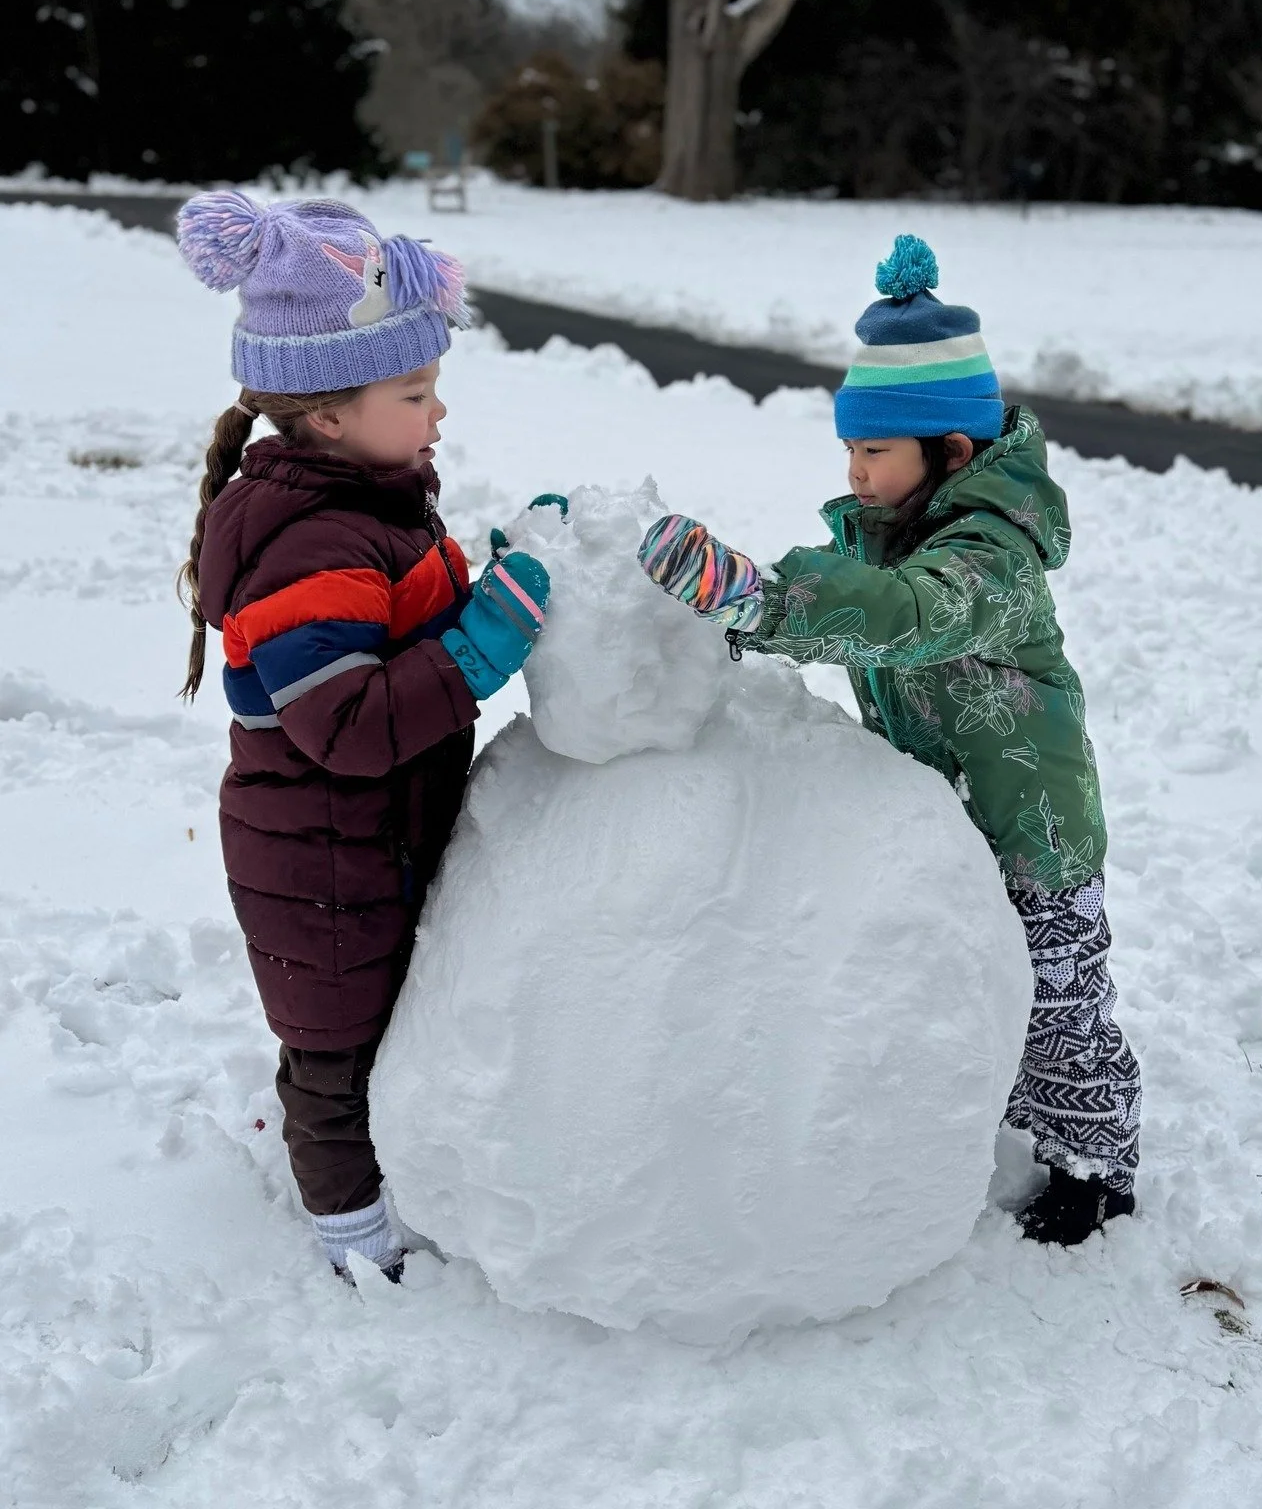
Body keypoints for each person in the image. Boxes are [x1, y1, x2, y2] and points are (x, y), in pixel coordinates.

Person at [639, 235, 1142, 1246]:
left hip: (1032, 830)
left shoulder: (988, 562)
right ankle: (987, 1108)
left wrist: (760, 598)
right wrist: (715, 645)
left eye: (875, 453)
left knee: (1060, 1002)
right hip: (946, 819)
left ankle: (1095, 1161)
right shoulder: (886, 534)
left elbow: (900, 614)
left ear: (950, 454)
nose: (855, 473)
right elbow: (848, 622)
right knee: (975, 973)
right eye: (850, 452)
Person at [174, 191, 549, 1279]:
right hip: (323, 861)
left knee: (386, 1025)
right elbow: (347, 724)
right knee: (334, 1054)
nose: (439, 415)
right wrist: (486, 643)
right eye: (416, 391)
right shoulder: (315, 545)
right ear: (328, 414)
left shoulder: (371, 504)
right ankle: (351, 1232)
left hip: (371, 837)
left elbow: (399, 620)